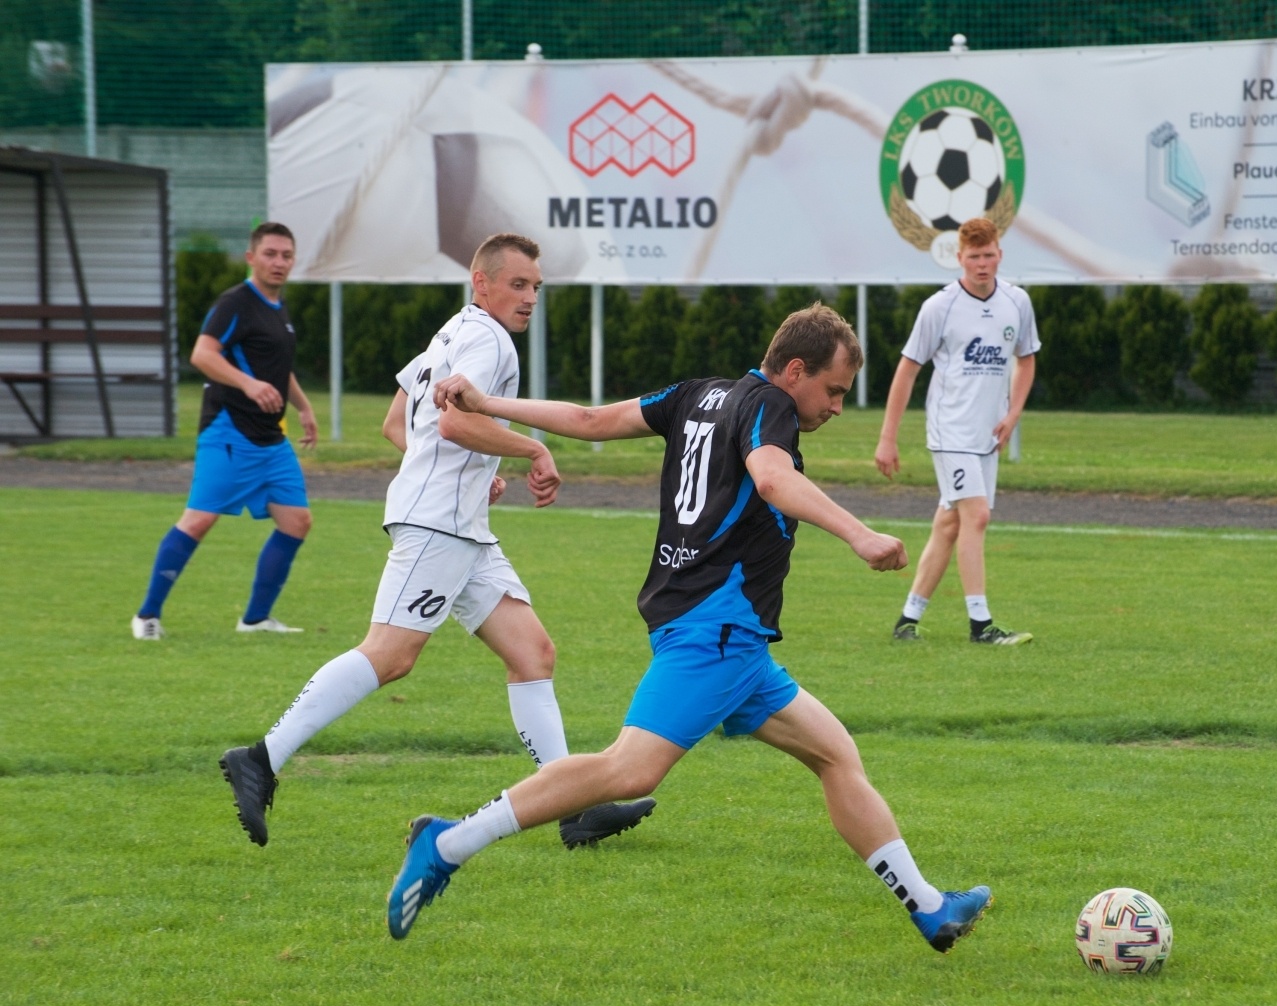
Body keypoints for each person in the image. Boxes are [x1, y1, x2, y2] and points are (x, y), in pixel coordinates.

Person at [385, 304, 992, 953]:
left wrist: (487, 402)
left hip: (727, 638)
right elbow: (772, 477)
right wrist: (859, 533)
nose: (838, 407)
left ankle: (929, 908)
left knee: (835, 755)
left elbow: (590, 421)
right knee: (628, 770)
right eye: (834, 390)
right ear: (794, 371)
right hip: (717, 628)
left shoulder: (697, 393)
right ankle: (448, 843)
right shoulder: (771, 406)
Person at [219, 233, 655, 851]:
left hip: (460, 524)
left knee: (533, 654)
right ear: (482, 283)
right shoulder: (489, 339)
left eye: (536, 287)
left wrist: (475, 469)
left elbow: (399, 423)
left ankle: (572, 807)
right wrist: (531, 449)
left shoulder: (449, 333)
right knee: (390, 654)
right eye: (518, 285)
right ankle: (261, 757)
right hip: (438, 524)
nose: (530, 298)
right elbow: (453, 423)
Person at [132, 222, 318, 639]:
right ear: (251, 258)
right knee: (198, 521)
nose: (279, 262)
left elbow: (278, 368)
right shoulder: (235, 302)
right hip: (229, 431)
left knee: (297, 521)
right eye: (270, 254)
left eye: (286, 255)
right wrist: (248, 384)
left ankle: (255, 620)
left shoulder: (278, 307)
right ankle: (146, 616)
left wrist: (304, 407)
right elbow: (202, 354)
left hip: (270, 439)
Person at [874, 217, 1039, 645]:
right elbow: (907, 370)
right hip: (950, 432)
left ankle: (907, 620)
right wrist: (888, 437)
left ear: (1000, 255)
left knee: (949, 525)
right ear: (959, 258)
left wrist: (1013, 414)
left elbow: (1026, 359)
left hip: (987, 437)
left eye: (989, 255)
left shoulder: (1017, 302)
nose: (982, 264)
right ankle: (981, 626)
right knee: (977, 516)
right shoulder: (940, 307)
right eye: (974, 256)